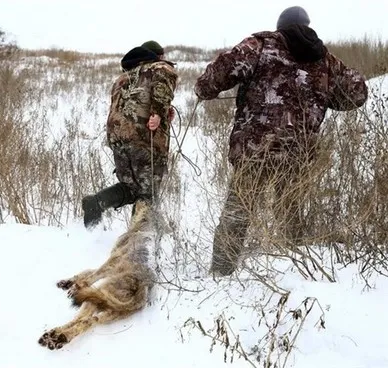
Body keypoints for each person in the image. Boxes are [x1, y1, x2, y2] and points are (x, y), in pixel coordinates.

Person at [194, 6, 369, 275]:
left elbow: (213, 79)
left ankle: (220, 272)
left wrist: (203, 88)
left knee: (238, 211)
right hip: (299, 152)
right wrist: (319, 92)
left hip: (256, 149)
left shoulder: (259, 45)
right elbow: (356, 95)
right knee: (290, 210)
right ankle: (295, 271)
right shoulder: (325, 60)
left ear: (280, 25)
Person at [82, 40, 178, 228]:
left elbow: (132, 104)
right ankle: (139, 241)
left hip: (117, 136)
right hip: (144, 138)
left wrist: (164, 112)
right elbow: (162, 86)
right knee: (147, 192)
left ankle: (97, 202)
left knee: (131, 187)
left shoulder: (123, 78)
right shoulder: (160, 67)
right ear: (158, 56)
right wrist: (158, 113)